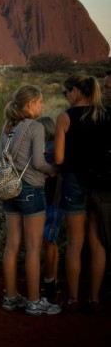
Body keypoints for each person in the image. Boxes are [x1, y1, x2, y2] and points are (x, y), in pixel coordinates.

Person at [0, 86, 60, 315]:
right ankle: (34, 301)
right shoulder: (34, 127)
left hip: (8, 188)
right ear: (29, 104)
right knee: (33, 248)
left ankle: (11, 298)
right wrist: (53, 169)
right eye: (40, 101)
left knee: (12, 245)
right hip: (31, 189)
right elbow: (38, 163)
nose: (42, 106)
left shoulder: (7, 128)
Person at [55, 73, 109, 312]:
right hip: (101, 184)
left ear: (75, 91)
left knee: (75, 243)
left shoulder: (65, 117)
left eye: (66, 92)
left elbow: (58, 157)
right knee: (97, 243)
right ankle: (95, 298)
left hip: (74, 181)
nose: (66, 97)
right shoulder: (106, 115)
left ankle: (75, 299)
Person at [36, 116, 64, 302]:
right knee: (49, 241)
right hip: (51, 200)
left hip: (51, 199)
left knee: (48, 241)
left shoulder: (50, 148)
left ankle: (49, 282)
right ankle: (50, 281)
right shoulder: (48, 147)